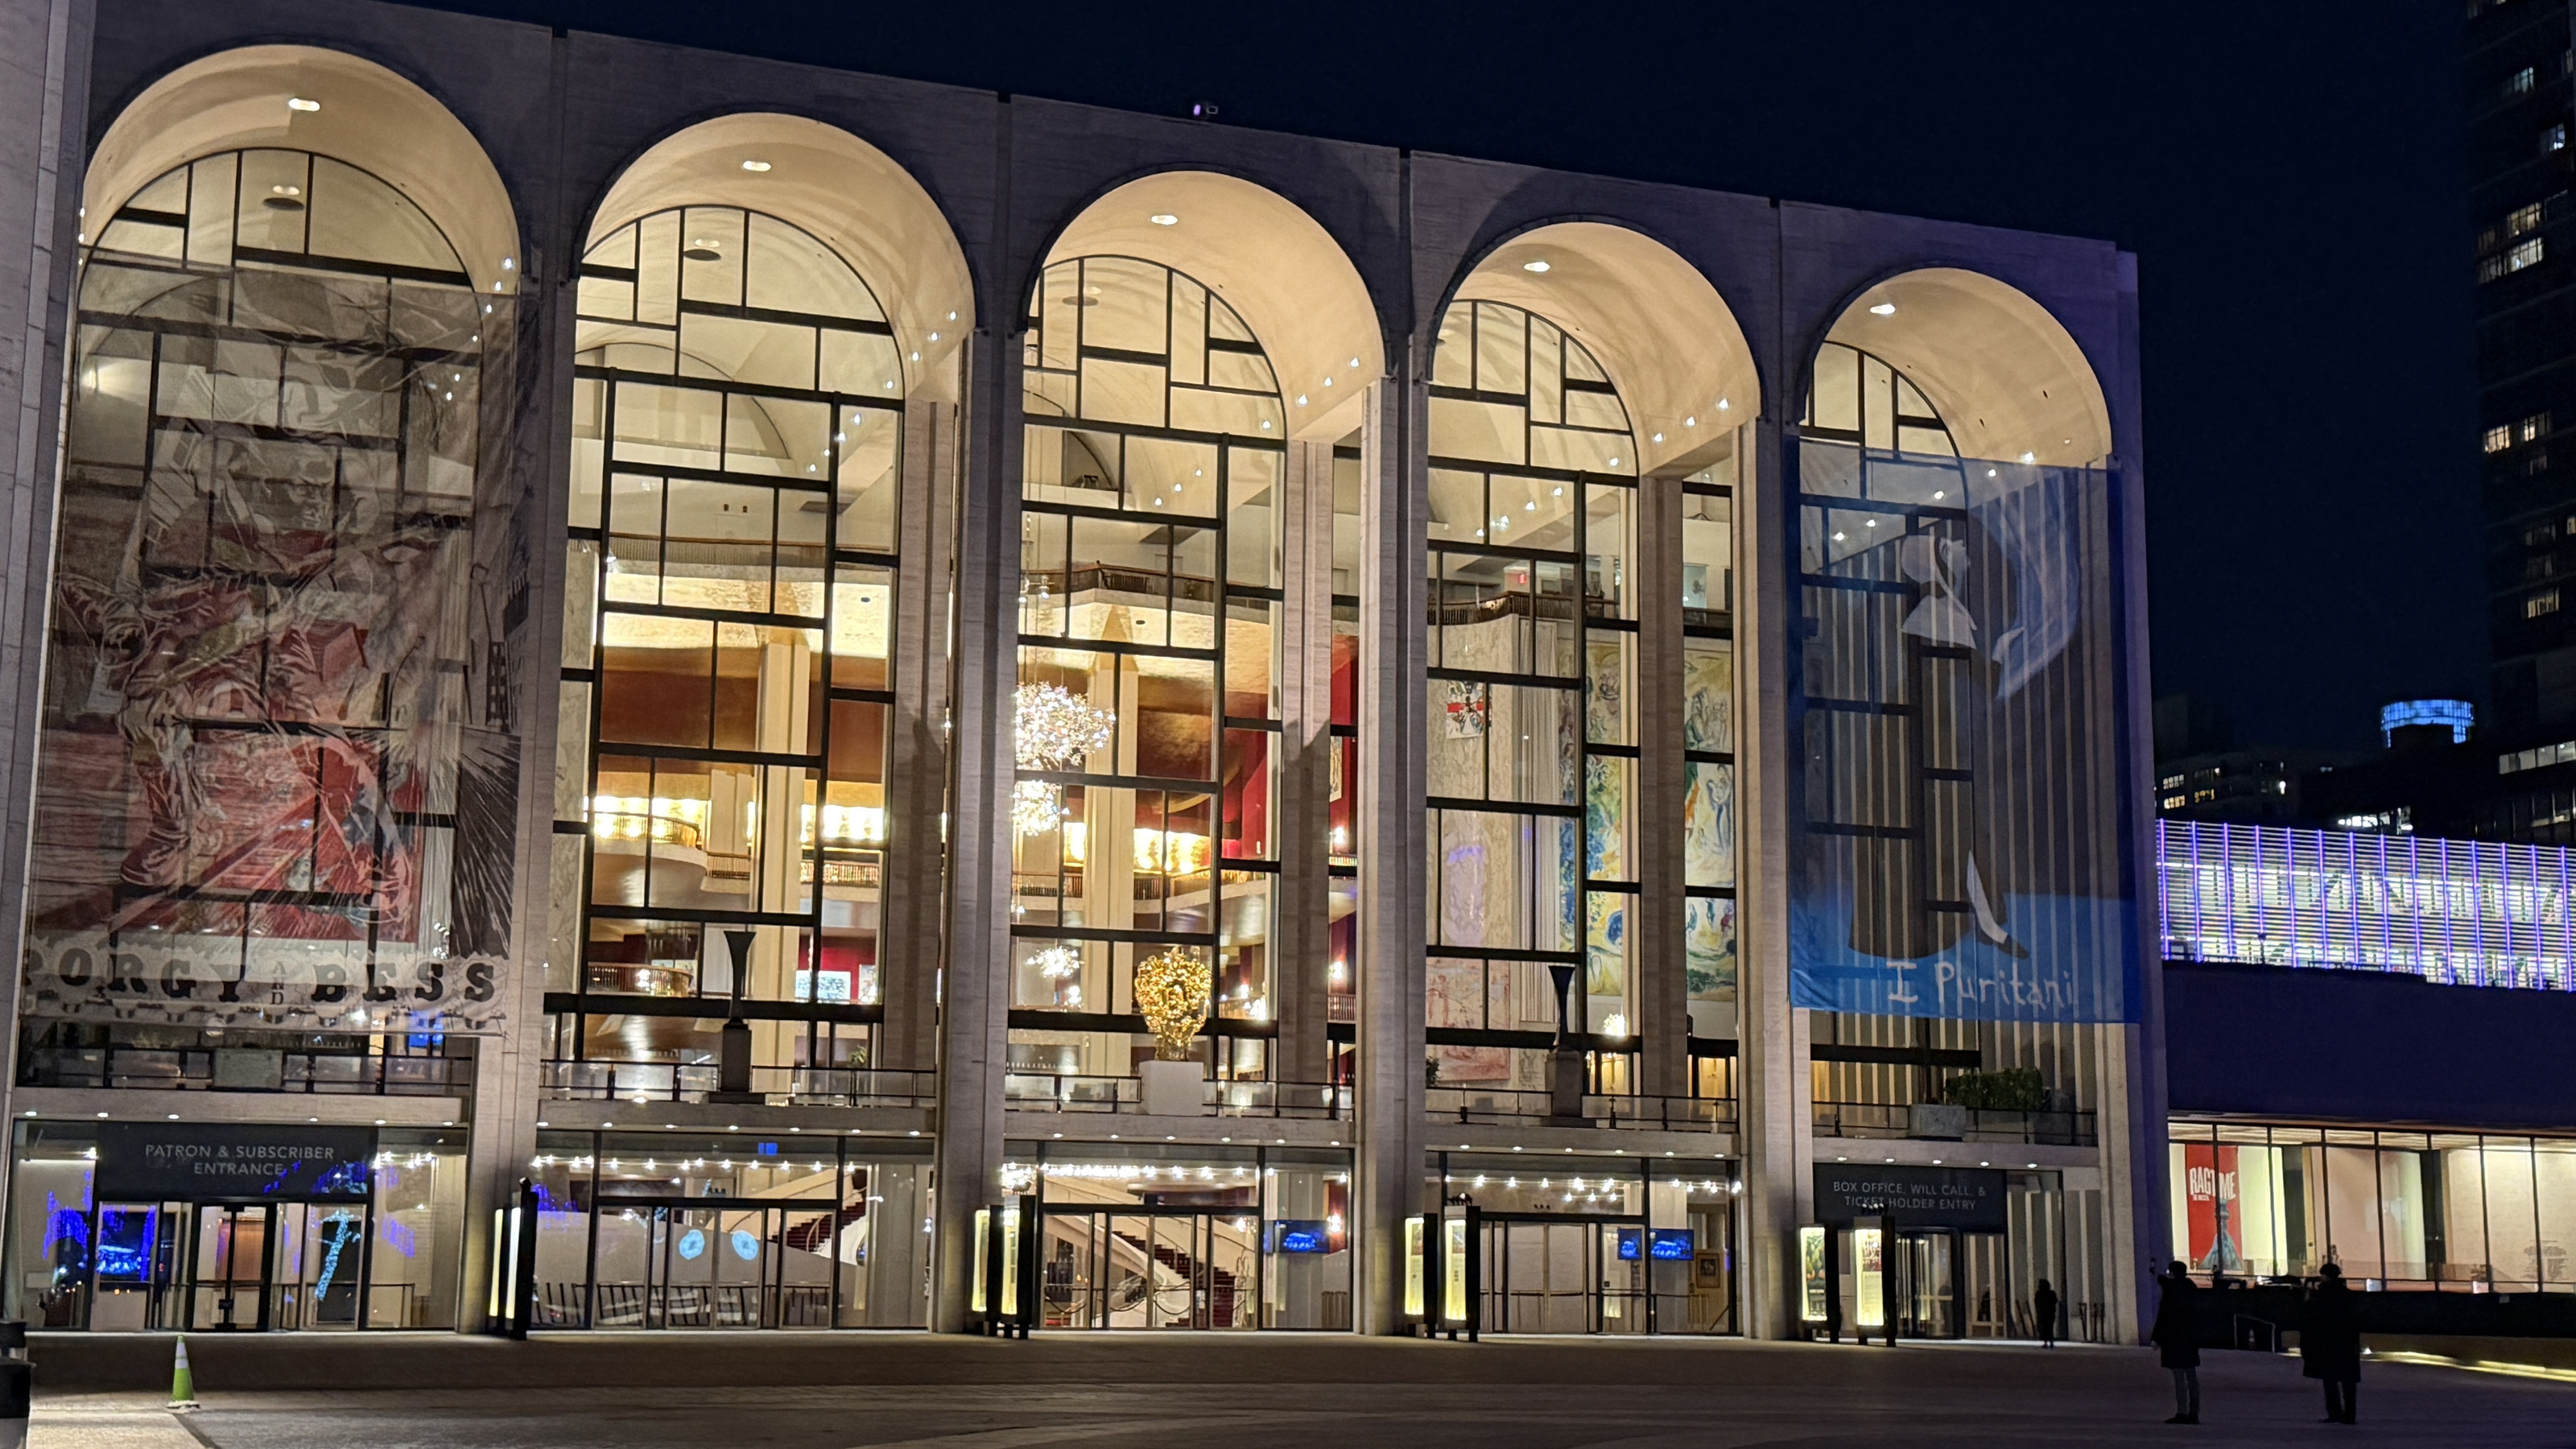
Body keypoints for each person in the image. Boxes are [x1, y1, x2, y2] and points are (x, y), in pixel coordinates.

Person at [2302, 1263, 2362, 1425]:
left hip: (2327, 1344)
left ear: (2325, 1276)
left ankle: (2334, 1413)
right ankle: (2350, 1414)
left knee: (2330, 1380)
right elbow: (2355, 1320)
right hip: (2346, 1343)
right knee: (2348, 1381)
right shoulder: (2347, 1295)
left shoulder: (2320, 1297)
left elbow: (2310, 1318)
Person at [2149, 1260, 2202, 1425]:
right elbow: (2164, 1280)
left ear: (2172, 1273)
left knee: (2179, 1376)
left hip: (2175, 1339)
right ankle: (2194, 1412)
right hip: (2190, 1339)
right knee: (2191, 1376)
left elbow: (2164, 1316)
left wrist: (2156, 1338)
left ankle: (2181, 1412)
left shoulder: (2171, 1290)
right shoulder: (2190, 1287)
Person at [2033, 1278, 2060, 1348]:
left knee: (2044, 1328)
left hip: (2043, 1314)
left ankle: (2046, 1342)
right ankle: (2050, 1341)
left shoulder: (2039, 1294)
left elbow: (2036, 1303)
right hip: (2050, 1314)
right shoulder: (2051, 1293)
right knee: (2049, 1328)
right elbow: (2055, 1301)